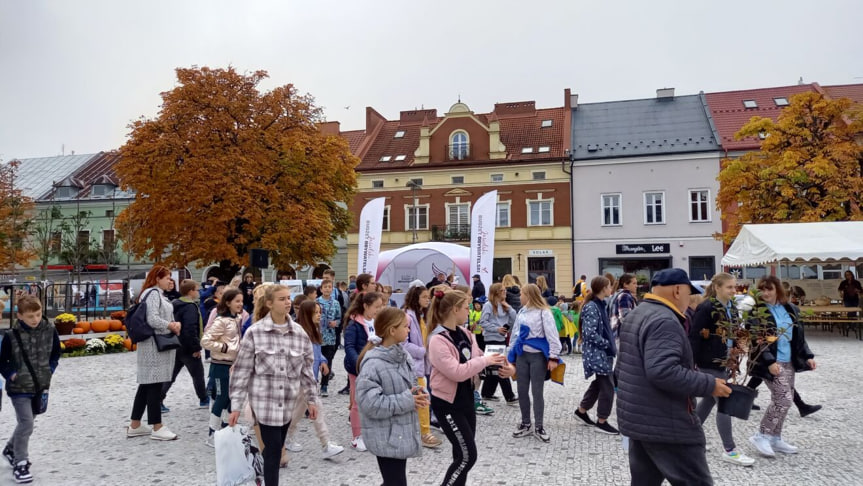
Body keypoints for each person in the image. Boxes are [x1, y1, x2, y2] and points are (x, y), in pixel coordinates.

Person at [616, 268, 731, 486]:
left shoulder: (639, 313)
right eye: (689, 292)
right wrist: (709, 384)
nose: (691, 298)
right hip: (667, 424)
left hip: (640, 419)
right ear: (678, 290)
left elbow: (622, 368)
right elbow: (662, 371)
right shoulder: (664, 320)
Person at [228, 285, 318, 486]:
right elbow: (242, 371)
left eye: (288, 298)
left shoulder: (299, 333)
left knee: (273, 449)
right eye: (281, 299)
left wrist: (312, 400)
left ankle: (260, 471)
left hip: (287, 404)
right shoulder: (254, 333)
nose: (287, 302)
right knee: (275, 448)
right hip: (264, 403)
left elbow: (307, 370)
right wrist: (235, 405)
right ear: (269, 303)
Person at [427, 290, 509, 486]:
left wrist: (504, 364)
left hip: (466, 401)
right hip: (447, 405)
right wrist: (484, 360)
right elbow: (457, 371)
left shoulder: (465, 333)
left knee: (460, 454)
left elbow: (480, 355)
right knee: (468, 457)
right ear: (455, 310)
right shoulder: (437, 340)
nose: (470, 311)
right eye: (466, 308)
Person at [688, 273, 755, 467]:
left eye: (735, 287)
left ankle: (690, 438)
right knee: (724, 401)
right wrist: (693, 362)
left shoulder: (732, 307)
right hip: (709, 363)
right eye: (729, 287)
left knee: (709, 400)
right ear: (717, 287)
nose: (734, 291)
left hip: (725, 362)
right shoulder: (706, 307)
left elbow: (735, 332)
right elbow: (694, 336)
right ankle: (730, 450)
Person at [356, 307, 427, 486]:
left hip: (399, 432)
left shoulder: (403, 356)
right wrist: (407, 400)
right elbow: (369, 403)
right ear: (392, 330)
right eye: (405, 326)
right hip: (385, 434)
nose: (408, 330)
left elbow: (410, 385)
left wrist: (418, 393)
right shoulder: (373, 364)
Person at [748, 276, 817, 457]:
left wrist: (808, 356)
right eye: (762, 289)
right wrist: (770, 361)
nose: (765, 293)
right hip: (770, 362)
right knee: (784, 398)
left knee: (786, 398)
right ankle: (762, 434)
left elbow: (799, 336)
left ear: (778, 290)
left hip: (789, 361)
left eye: (769, 289)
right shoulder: (756, 312)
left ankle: (775, 438)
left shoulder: (791, 309)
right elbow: (758, 340)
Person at [0, 295, 60, 484]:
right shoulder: (12, 336)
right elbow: (3, 361)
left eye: (38, 314)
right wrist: (12, 374)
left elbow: (56, 353)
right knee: (26, 423)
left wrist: (50, 370)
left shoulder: (50, 330)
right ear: (19, 316)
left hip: (40, 385)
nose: (35, 319)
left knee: (27, 422)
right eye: (30, 316)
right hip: (19, 388)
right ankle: (21, 463)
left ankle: (10, 449)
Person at [285, 301, 344, 460]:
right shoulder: (299, 332)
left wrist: (323, 360)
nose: (319, 315)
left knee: (297, 412)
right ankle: (325, 444)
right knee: (317, 408)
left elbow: (315, 350)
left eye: (320, 312)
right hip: (303, 380)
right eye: (316, 312)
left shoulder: (314, 330)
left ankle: (286, 437)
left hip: (310, 378)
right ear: (307, 314)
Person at [506, 284, 561, 442]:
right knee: (522, 390)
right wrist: (511, 354)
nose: (519, 297)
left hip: (537, 357)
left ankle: (539, 425)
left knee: (537, 392)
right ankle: (526, 423)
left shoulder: (544, 313)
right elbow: (515, 334)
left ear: (529, 295)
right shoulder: (521, 311)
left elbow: (552, 335)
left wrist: (553, 357)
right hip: (522, 355)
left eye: (522, 294)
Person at [573, 276, 619, 435]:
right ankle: (602, 421)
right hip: (598, 353)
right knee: (607, 387)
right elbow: (589, 333)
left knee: (599, 384)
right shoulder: (593, 307)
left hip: (602, 353)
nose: (611, 289)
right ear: (603, 288)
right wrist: (607, 344)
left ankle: (582, 410)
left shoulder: (600, 305)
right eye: (609, 286)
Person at [200, 288, 244, 446]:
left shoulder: (236, 319)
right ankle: (212, 432)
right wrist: (224, 347)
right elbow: (205, 341)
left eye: (241, 300)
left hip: (233, 365)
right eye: (237, 301)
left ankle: (226, 429)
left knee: (231, 398)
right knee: (221, 397)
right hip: (220, 365)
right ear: (228, 303)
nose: (240, 304)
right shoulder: (221, 321)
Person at [401, 286, 442, 448]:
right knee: (422, 398)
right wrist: (422, 351)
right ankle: (424, 432)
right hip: (414, 365)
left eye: (428, 296)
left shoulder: (420, 316)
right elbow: (404, 343)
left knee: (420, 398)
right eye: (424, 297)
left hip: (421, 364)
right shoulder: (408, 317)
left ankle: (418, 430)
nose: (427, 299)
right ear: (415, 298)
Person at [344, 291, 384, 451]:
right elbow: (349, 347)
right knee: (357, 402)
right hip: (357, 369)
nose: (379, 310)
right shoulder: (354, 324)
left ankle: (370, 431)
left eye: (381, 306)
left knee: (374, 400)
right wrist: (360, 364)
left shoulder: (378, 322)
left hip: (376, 367)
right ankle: (357, 436)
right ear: (366, 306)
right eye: (376, 307)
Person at [161, 279, 209, 410]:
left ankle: (158, 399)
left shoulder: (174, 304)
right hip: (187, 346)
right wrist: (196, 347)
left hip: (175, 344)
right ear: (190, 292)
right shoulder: (190, 307)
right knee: (198, 374)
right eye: (197, 290)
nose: (199, 292)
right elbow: (190, 328)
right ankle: (204, 399)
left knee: (171, 375)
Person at [478, 283, 518, 405]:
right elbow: (483, 322)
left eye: (505, 290)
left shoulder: (505, 306)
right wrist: (496, 329)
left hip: (501, 338)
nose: (505, 293)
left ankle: (487, 392)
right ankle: (509, 396)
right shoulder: (488, 306)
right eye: (502, 291)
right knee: (501, 366)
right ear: (496, 293)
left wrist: (509, 308)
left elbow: (514, 319)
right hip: (491, 338)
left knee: (493, 366)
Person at [317, 279, 341, 397]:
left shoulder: (335, 303)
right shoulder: (317, 302)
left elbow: (339, 318)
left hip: (330, 337)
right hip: (318, 337)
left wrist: (335, 323)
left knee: (328, 361)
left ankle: (324, 385)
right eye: (325, 287)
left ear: (332, 289)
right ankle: (314, 382)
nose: (327, 289)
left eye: (329, 287)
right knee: (316, 361)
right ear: (321, 289)